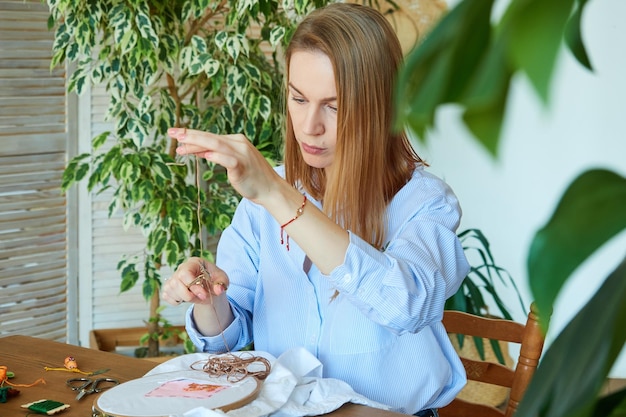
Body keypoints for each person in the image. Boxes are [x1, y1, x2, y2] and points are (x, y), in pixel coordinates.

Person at [161, 3, 470, 415]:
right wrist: (206, 298)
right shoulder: (262, 201)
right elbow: (227, 341)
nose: (309, 126)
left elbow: (407, 305)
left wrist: (276, 195)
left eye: (335, 106)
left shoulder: (424, 202)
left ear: (379, 106)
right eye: (298, 98)